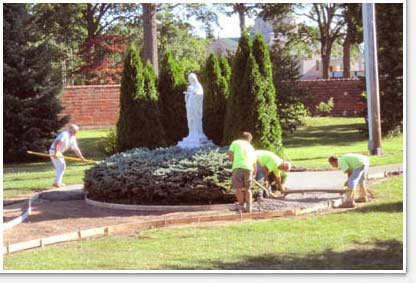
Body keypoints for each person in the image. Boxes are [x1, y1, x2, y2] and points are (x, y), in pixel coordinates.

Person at [49, 124, 86, 188]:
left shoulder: (72, 137)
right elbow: (57, 143)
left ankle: (57, 182)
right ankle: (57, 183)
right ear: (70, 129)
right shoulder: (64, 134)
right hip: (54, 151)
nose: (75, 132)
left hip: (59, 152)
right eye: (74, 130)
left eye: (76, 131)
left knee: (61, 167)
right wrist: (55, 153)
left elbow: (76, 149)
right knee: (62, 166)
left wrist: (81, 157)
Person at [228, 132, 257, 213]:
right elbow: (255, 162)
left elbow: (230, 155)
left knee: (238, 189)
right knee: (248, 189)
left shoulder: (235, 142)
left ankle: (241, 207)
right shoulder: (251, 147)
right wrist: (254, 173)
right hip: (249, 168)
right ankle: (249, 208)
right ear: (249, 140)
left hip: (238, 167)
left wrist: (234, 160)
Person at [184, 73, 205, 138]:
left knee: (196, 119)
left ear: (194, 79)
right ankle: (191, 133)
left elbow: (200, 94)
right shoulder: (189, 87)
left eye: (191, 79)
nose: (190, 80)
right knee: (190, 119)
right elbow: (186, 97)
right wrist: (187, 94)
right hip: (190, 106)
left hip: (195, 107)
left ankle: (197, 133)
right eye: (189, 79)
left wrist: (194, 93)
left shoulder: (198, 86)